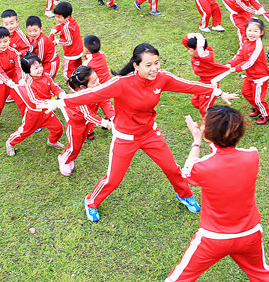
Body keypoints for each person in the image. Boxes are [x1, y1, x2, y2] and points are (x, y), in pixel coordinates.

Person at [131, 106, 269, 282]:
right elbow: (226, 155)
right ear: (240, 133)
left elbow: (187, 172)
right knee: (261, 274)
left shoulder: (201, 167)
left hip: (213, 239)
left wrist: (196, 141)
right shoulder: (252, 156)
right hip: (250, 234)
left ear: (208, 134)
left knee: (178, 280)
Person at [39, 43, 238, 223]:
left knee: (172, 168)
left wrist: (217, 92)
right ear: (136, 66)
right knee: (113, 179)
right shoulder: (121, 83)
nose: (154, 68)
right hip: (125, 138)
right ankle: (91, 201)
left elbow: (188, 85)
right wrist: (59, 102)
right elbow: (91, 94)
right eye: (148, 65)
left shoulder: (162, 78)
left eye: (156, 63)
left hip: (150, 134)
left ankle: (184, 195)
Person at [6, 53, 65, 156]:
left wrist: (61, 93)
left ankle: (52, 141)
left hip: (47, 111)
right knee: (24, 132)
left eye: (40, 66)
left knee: (58, 127)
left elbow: (54, 87)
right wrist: (53, 103)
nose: (40, 69)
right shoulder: (28, 84)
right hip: (34, 114)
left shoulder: (46, 76)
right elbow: (35, 101)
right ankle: (10, 143)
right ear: (28, 71)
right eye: (36, 68)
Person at [58, 65, 113, 176]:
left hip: (87, 124)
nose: (98, 83)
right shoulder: (79, 98)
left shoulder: (98, 88)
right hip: (75, 125)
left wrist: (113, 117)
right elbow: (88, 115)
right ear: (83, 87)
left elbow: (105, 102)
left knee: (80, 144)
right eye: (93, 82)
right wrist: (105, 123)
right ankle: (64, 159)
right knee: (74, 146)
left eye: (97, 78)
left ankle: (70, 157)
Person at [228, 18, 269, 124]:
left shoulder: (258, 45)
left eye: (255, 31)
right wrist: (231, 63)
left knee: (258, 99)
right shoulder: (246, 42)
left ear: (261, 33)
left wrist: (236, 68)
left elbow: (250, 62)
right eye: (249, 30)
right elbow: (240, 55)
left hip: (260, 77)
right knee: (246, 92)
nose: (252, 33)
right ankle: (257, 108)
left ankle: (265, 114)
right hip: (250, 75)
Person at [182, 33, 230, 119]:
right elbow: (185, 41)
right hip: (202, 81)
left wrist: (200, 38)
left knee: (205, 108)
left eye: (191, 50)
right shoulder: (196, 53)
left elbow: (200, 51)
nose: (188, 52)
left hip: (211, 82)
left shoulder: (205, 57)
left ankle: (207, 122)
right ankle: (213, 113)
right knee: (195, 101)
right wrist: (195, 34)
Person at [0, 26, 26, 132]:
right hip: (2, 83)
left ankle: (29, 122)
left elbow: (19, 67)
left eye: (5, 41)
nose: (3, 44)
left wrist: (21, 79)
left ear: (9, 39)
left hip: (15, 80)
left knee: (22, 102)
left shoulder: (14, 52)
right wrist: (8, 82)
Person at [81, 34, 115, 137]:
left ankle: (90, 132)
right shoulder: (102, 54)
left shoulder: (87, 64)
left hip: (97, 89)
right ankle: (110, 119)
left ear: (86, 50)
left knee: (92, 110)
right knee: (107, 105)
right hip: (108, 86)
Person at [50, 1, 84, 79]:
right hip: (78, 49)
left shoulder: (67, 27)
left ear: (67, 17)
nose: (57, 19)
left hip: (71, 53)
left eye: (59, 17)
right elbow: (62, 24)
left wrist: (57, 41)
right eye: (56, 16)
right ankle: (81, 81)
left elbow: (68, 42)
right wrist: (55, 29)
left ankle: (72, 85)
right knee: (79, 69)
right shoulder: (72, 20)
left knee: (67, 72)